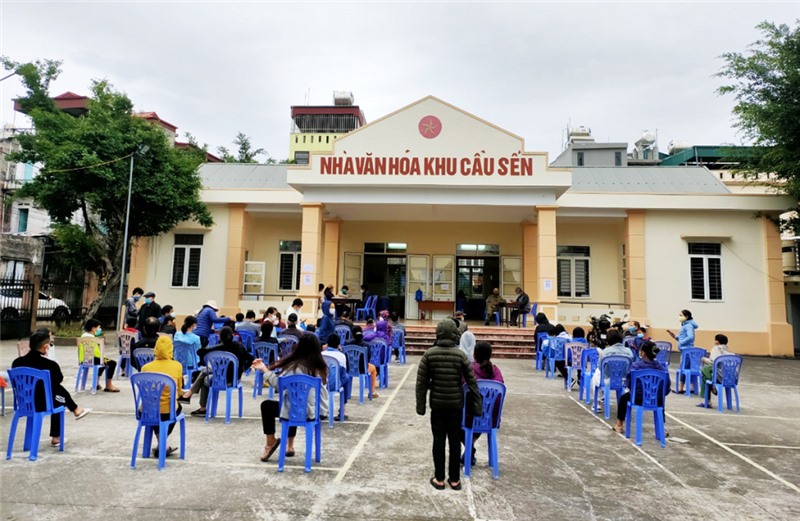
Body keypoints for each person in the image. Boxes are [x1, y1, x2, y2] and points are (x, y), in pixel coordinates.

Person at [416, 319, 482, 491]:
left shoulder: (429, 355)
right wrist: (477, 405)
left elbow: (421, 383)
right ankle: (454, 480)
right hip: (455, 405)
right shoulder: (460, 356)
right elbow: (472, 382)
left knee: (438, 440)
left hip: (437, 405)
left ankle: (439, 479)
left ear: (437, 333)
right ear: (455, 334)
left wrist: (420, 406)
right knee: (454, 441)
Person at [252, 333, 329, 461]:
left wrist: (264, 369)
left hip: (299, 411)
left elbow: (278, 385)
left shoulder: (295, 367)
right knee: (296, 400)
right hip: (317, 412)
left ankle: (270, 442)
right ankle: (290, 446)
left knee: (271, 405)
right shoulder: (322, 368)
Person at [12, 331, 91, 447]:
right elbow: (58, 380)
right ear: (45, 346)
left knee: (54, 391)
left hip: (24, 402)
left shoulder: (17, 362)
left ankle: (75, 409)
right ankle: (57, 436)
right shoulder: (50, 365)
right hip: (42, 404)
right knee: (58, 398)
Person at [182, 327, 254, 416]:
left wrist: (211, 350)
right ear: (232, 336)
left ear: (220, 337)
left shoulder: (218, 348)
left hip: (218, 377)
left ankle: (198, 403)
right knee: (205, 372)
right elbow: (251, 359)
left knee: (205, 378)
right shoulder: (239, 347)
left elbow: (200, 352)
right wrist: (243, 369)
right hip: (234, 378)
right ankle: (192, 398)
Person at [613, 340, 671, 435]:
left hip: (638, 398)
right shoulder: (662, 369)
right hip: (656, 399)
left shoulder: (636, 367)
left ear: (642, 353)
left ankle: (619, 425)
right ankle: (661, 428)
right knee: (661, 401)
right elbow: (667, 389)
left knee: (623, 398)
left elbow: (629, 384)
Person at [461, 341, 504, 465]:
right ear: (490, 355)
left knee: (452, 423)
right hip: (491, 419)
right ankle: (470, 449)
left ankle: (470, 450)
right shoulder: (497, 372)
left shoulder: (468, 370)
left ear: (474, 355)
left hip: (469, 417)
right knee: (482, 414)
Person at [140, 335, 184, 456]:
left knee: (154, 408)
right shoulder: (177, 366)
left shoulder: (145, 368)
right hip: (167, 411)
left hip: (146, 411)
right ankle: (163, 445)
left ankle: (162, 445)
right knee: (175, 408)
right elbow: (179, 392)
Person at [591, 329, 634, 401]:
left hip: (607, 379)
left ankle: (598, 400)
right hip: (623, 380)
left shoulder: (605, 352)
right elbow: (631, 366)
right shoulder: (629, 351)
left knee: (596, 375)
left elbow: (600, 367)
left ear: (608, 340)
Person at [81, 319, 119, 392]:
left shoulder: (83, 336)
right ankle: (109, 385)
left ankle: (96, 383)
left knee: (103, 362)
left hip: (85, 359)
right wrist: (103, 357)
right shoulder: (93, 338)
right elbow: (96, 353)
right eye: (98, 327)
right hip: (94, 359)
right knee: (112, 363)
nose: (100, 329)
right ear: (93, 328)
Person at [667, 309, 699, 393]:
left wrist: (681, 342)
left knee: (683, 368)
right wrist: (675, 337)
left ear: (687, 316)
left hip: (687, 350)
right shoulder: (685, 325)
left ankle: (681, 388)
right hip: (686, 350)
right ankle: (691, 387)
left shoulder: (688, 325)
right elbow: (684, 337)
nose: (679, 317)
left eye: (681, 315)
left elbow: (690, 337)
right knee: (687, 368)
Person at [698, 334, 732, 405]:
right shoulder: (728, 351)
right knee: (707, 371)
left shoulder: (716, 349)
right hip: (729, 378)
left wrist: (704, 360)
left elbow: (713, 362)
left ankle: (707, 400)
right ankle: (711, 390)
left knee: (705, 372)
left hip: (718, 377)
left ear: (717, 342)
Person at [346, 326, 379, 398]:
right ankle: (372, 392)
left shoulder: (346, 344)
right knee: (373, 369)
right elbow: (368, 358)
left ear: (352, 334)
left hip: (349, 368)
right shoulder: (366, 345)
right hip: (363, 368)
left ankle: (347, 394)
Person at [324, 333, 350, 419]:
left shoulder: (321, 354)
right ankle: (343, 410)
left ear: (327, 344)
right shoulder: (341, 356)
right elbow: (343, 374)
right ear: (338, 345)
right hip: (334, 385)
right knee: (346, 378)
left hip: (321, 384)